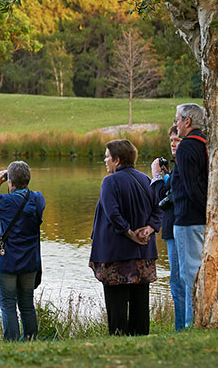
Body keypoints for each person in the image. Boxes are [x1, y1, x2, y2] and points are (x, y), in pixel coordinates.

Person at [89, 139, 160, 336]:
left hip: (116, 255)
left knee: (117, 306)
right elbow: (158, 210)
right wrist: (149, 229)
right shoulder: (145, 179)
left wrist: (130, 234)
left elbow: (113, 214)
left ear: (117, 160)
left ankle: (118, 340)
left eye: (107, 157)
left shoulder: (109, 182)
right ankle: (140, 340)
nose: (105, 161)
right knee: (140, 306)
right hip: (143, 255)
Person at [0, 160, 45, 341]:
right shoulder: (38, 199)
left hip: (7, 262)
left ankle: (11, 345)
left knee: (8, 306)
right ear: (28, 180)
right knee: (27, 306)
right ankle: (30, 341)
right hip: (30, 262)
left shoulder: (5, 202)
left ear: (9, 182)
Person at [165, 103, 208, 329]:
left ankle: (192, 325)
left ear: (187, 122)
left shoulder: (187, 147)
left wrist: (204, 212)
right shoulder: (204, 144)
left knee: (189, 275)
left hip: (189, 220)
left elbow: (192, 187)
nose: (175, 124)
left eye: (177, 119)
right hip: (198, 219)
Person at [150, 124, 184, 329]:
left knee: (178, 282)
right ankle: (184, 325)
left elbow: (162, 198)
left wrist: (156, 176)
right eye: (171, 140)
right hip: (175, 229)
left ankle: (182, 328)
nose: (173, 144)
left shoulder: (184, 165)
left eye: (177, 140)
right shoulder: (179, 167)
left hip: (176, 229)